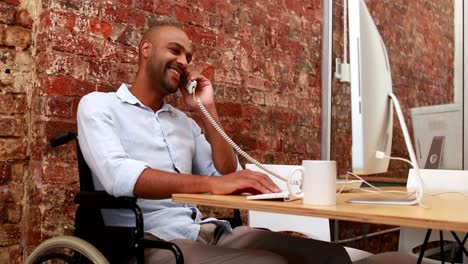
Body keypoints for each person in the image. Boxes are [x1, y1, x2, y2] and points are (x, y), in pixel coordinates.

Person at [77, 21, 352, 264]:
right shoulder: (99, 106)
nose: (184, 62)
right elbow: (118, 177)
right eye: (175, 51)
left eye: (188, 57)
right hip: (147, 242)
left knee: (330, 255)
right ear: (146, 49)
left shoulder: (183, 122)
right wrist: (213, 185)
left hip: (204, 231)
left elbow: (225, 172)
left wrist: (206, 108)